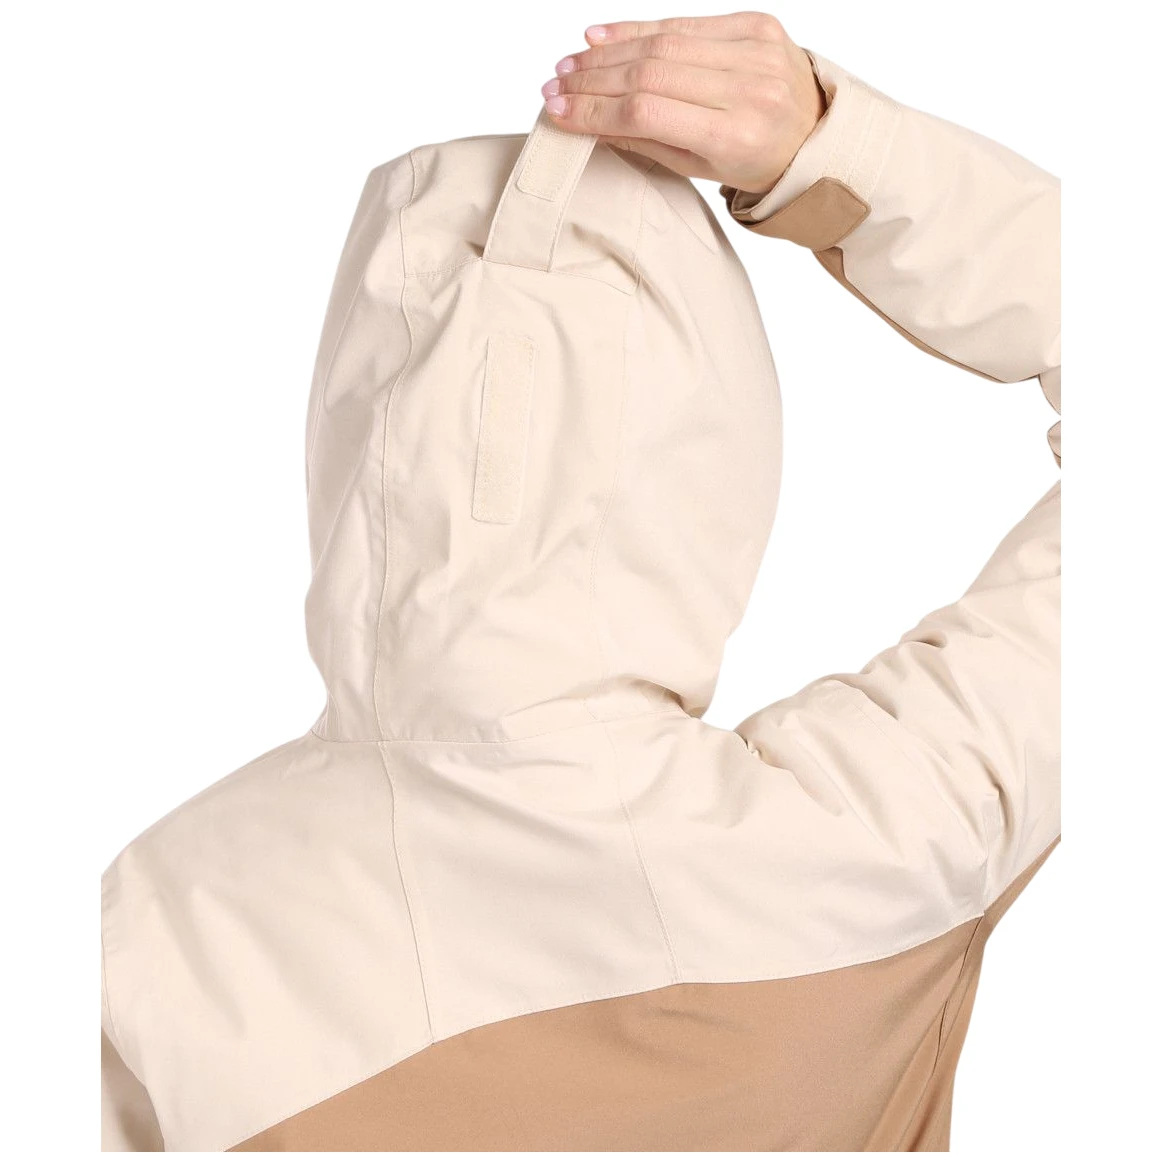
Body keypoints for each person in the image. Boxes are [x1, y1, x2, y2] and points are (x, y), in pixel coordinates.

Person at [101, 11, 1059, 1151]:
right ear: (716, 443)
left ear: (348, 427)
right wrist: (836, 153)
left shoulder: (146, 925)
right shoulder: (868, 848)